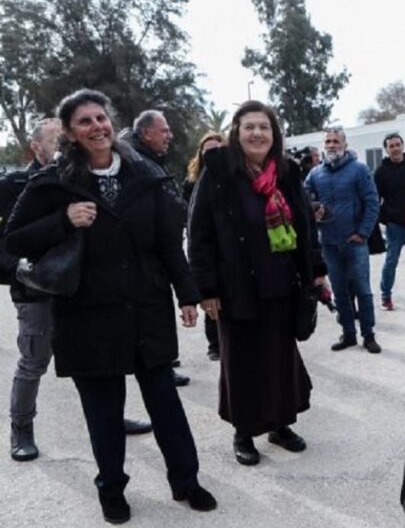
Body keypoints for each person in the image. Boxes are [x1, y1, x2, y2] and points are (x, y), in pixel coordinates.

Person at [4, 89, 216, 524]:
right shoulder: (52, 183)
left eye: (100, 118)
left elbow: (167, 242)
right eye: (84, 121)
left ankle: (186, 479)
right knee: (103, 411)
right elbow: (14, 240)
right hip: (87, 313)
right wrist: (63, 219)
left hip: (146, 306)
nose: (97, 127)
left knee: (165, 403)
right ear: (69, 133)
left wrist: (188, 294)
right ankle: (112, 489)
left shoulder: (145, 174)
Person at [1, 119, 153, 462]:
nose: (65, 144)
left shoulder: (83, 176)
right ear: (36, 147)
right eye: (55, 140)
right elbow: (9, 241)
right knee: (35, 359)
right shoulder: (16, 184)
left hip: (85, 288)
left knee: (101, 356)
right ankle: (21, 428)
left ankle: (112, 417)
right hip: (37, 289)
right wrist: (24, 271)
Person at [187, 101, 327, 466]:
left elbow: (306, 226)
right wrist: (207, 290)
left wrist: (316, 268)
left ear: (274, 134)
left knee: (281, 358)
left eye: (264, 127)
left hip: (282, 282)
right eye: (249, 126)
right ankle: (244, 431)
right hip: (236, 285)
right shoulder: (218, 170)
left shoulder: (287, 171)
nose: (257, 134)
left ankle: (280, 424)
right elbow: (199, 231)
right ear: (237, 132)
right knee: (242, 361)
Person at [304, 127, 381, 354]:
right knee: (339, 291)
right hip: (329, 243)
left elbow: (372, 202)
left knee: (362, 290)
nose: (331, 145)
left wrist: (363, 232)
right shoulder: (315, 174)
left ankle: (369, 335)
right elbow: (303, 199)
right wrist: (312, 211)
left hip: (355, 242)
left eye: (336, 141)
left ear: (344, 144)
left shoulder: (359, 169)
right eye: (328, 141)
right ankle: (348, 334)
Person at [128, 109, 190, 387]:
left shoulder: (151, 160)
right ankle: (161, 367)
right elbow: (168, 205)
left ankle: (165, 364)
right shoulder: (139, 163)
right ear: (146, 133)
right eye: (164, 131)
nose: (169, 136)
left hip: (164, 249)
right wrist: (191, 215)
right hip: (152, 257)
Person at [182, 132, 225, 361]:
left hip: (227, 251)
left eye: (218, 148)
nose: (213, 154)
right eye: (208, 150)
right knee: (211, 297)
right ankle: (214, 344)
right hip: (206, 248)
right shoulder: (193, 182)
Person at [374, 133, 405, 310]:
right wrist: (384, 218)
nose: (395, 149)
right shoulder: (381, 171)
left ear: (403, 146)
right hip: (394, 225)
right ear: (386, 150)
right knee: (391, 262)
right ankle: (386, 296)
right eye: (391, 146)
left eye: (397, 144)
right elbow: (375, 198)